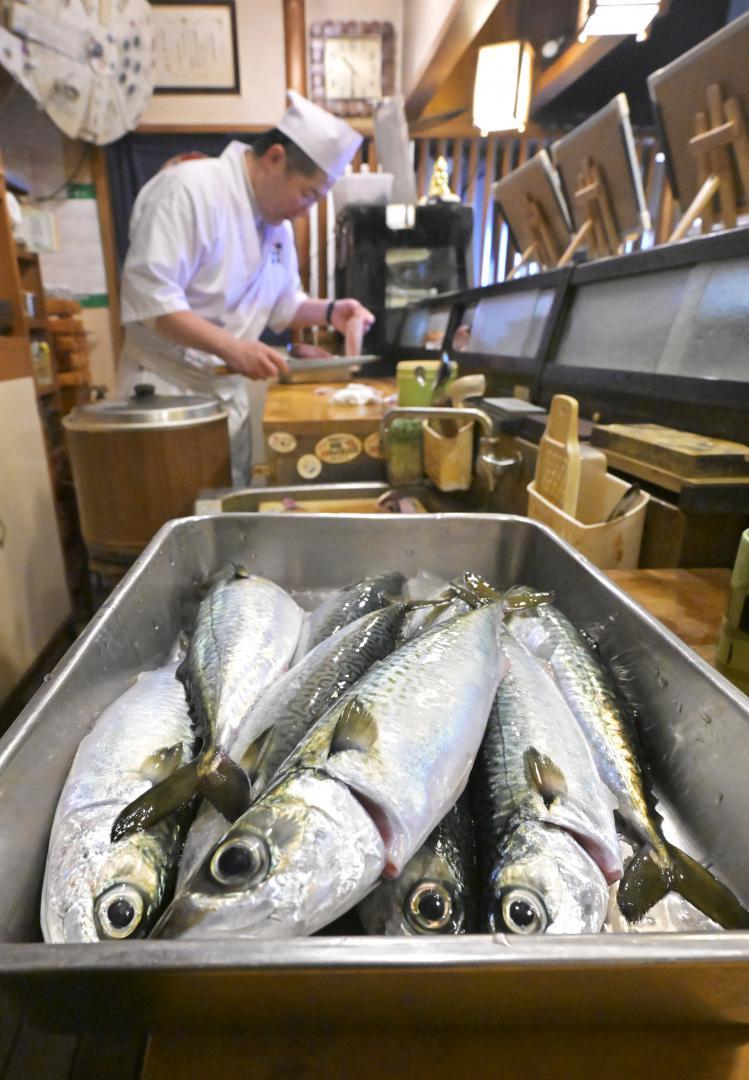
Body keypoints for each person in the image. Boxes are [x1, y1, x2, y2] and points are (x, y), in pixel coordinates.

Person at [117, 90, 375, 484]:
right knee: (171, 522)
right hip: (166, 395)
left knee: (220, 514)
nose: (306, 211)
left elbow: (283, 306)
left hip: (224, 398)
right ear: (275, 158)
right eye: (307, 195)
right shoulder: (190, 190)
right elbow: (152, 301)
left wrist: (329, 311)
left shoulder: (277, 229)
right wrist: (233, 347)